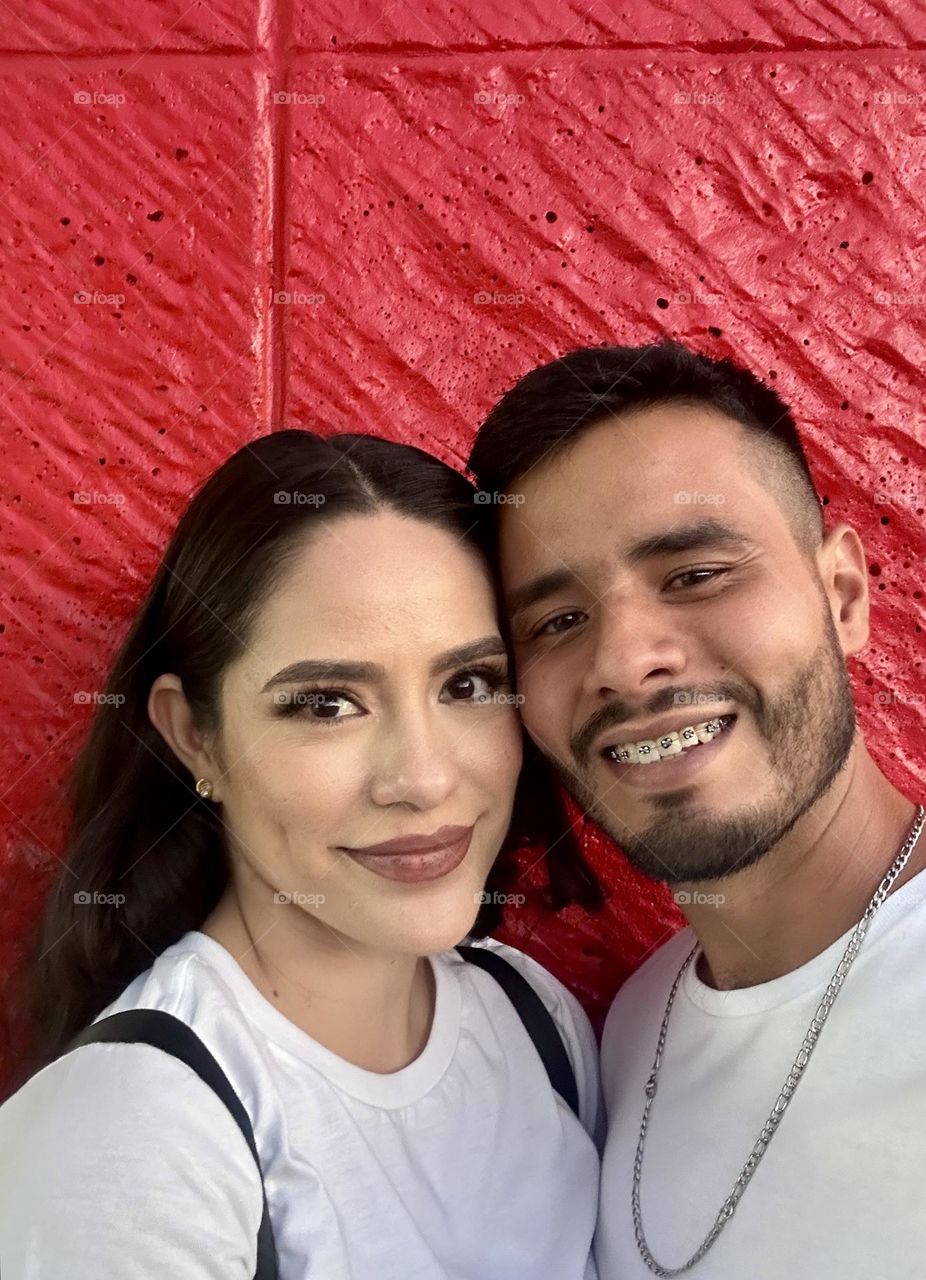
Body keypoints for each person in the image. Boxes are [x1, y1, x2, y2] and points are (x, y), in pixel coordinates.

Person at [0, 430, 604, 1280]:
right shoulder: (132, 1142)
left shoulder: (536, 1021)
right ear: (196, 738)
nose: (424, 779)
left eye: (466, 685)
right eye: (326, 703)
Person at [468, 340, 926, 1278]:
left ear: (842, 595)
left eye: (695, 574)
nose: (623, 660)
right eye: (558, 621)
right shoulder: (626, 1035)